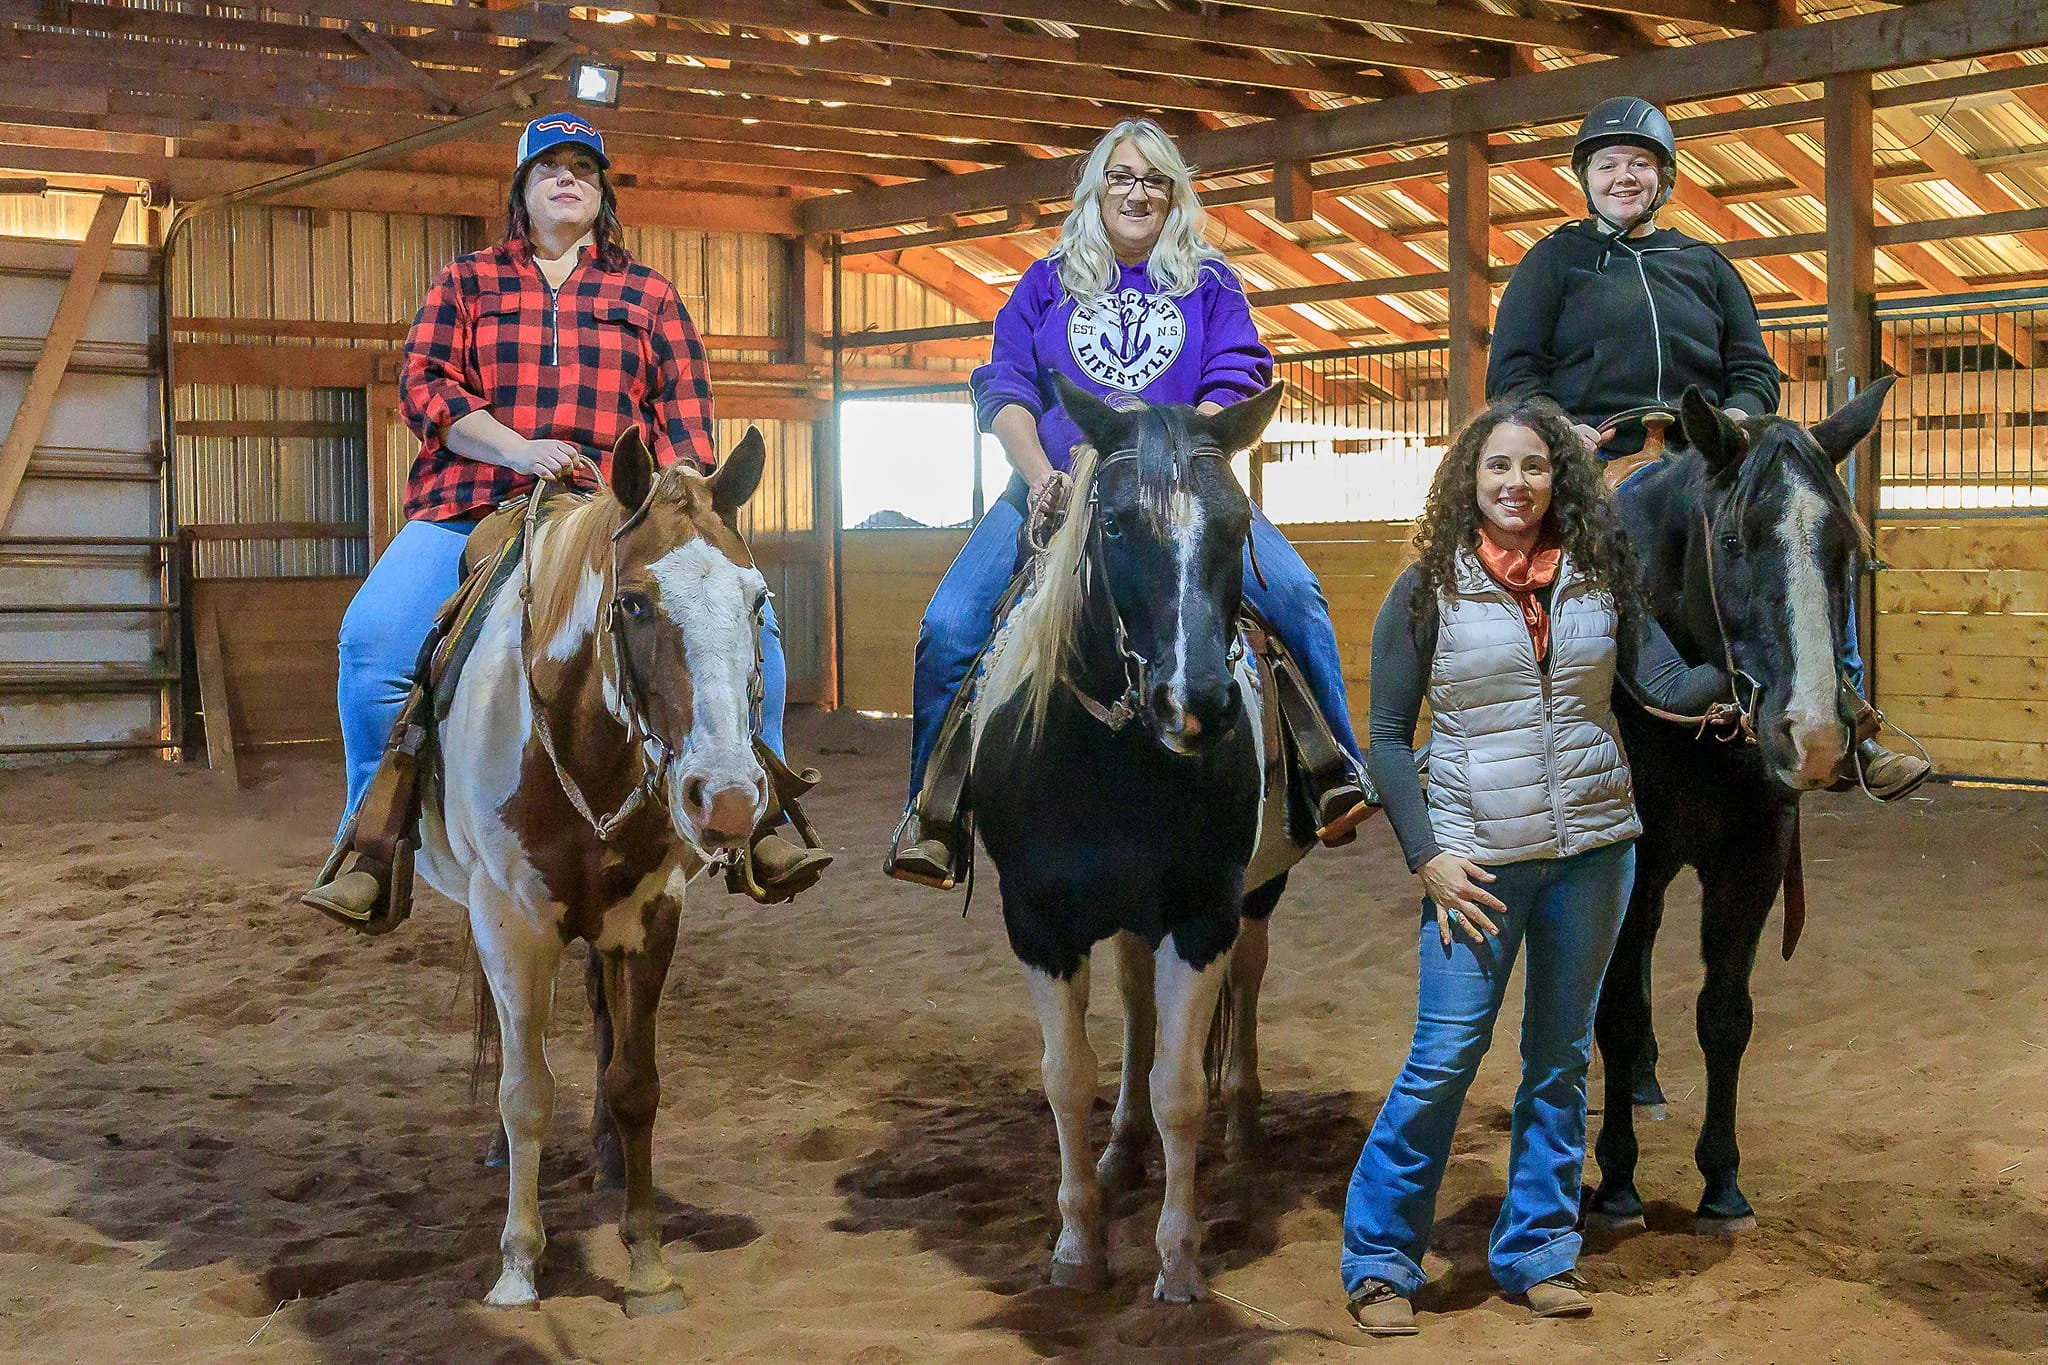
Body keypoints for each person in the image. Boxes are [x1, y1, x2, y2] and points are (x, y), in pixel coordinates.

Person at [304, 112, 828, 926]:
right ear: (521, 188)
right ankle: (372, 840)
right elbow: (427, 390)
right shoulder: (467, 282)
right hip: (472, 498)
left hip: (613, 509)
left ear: (601, 193)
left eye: (583, 167)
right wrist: (516, 449)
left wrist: (671, 500)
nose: (566, 177)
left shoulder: (647, 295)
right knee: (371, 640)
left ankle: (762, 816)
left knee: (751, 632)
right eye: (548, 165)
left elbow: (685, 419)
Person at [885, 117, 1370, 884]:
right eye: (1120, 177)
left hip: (1180, 487)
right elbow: (1006, 383)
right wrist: (1041, 474)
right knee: (949, 626)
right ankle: (933, 810)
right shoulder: (1046, 281)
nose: (1136, 193)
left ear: (1174, 194)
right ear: (1095, 191)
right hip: (1052, 484)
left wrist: (1169, 458)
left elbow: (1237, 377)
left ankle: (1331, 765)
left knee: (1300, 597)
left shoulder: (1210, 282)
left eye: (1152, 179)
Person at [1338, 397, 1731, 1336]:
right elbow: (1390, 738)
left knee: (1558, 1060)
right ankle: (1381, 1259)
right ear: (1469, 482)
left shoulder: (1601, 575)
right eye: (1497, 469)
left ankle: (1540, 1249)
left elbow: (1668, 685)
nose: (1516, 485)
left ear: (1562, 479)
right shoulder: (1428, 585)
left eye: (1534, 467)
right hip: (1475, 867)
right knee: (1444, 1057)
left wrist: (1748, 675)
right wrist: (1428, 857)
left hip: (1595, 855)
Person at [1487, 95, 1928, 800]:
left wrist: (1737, 416)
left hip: (1712, 452)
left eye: (1639, 164)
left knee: (1807, 524)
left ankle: (1854, 716)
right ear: (1585, 178)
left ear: (1664, 179)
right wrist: (1555, 426)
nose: (1622, 177)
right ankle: (1512, 726)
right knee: (1526, 550)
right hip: (1601, 451)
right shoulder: (1551, 264)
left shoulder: (1705, 264)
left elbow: (1754, 369)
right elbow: (1512, 374)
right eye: (1607, 165)